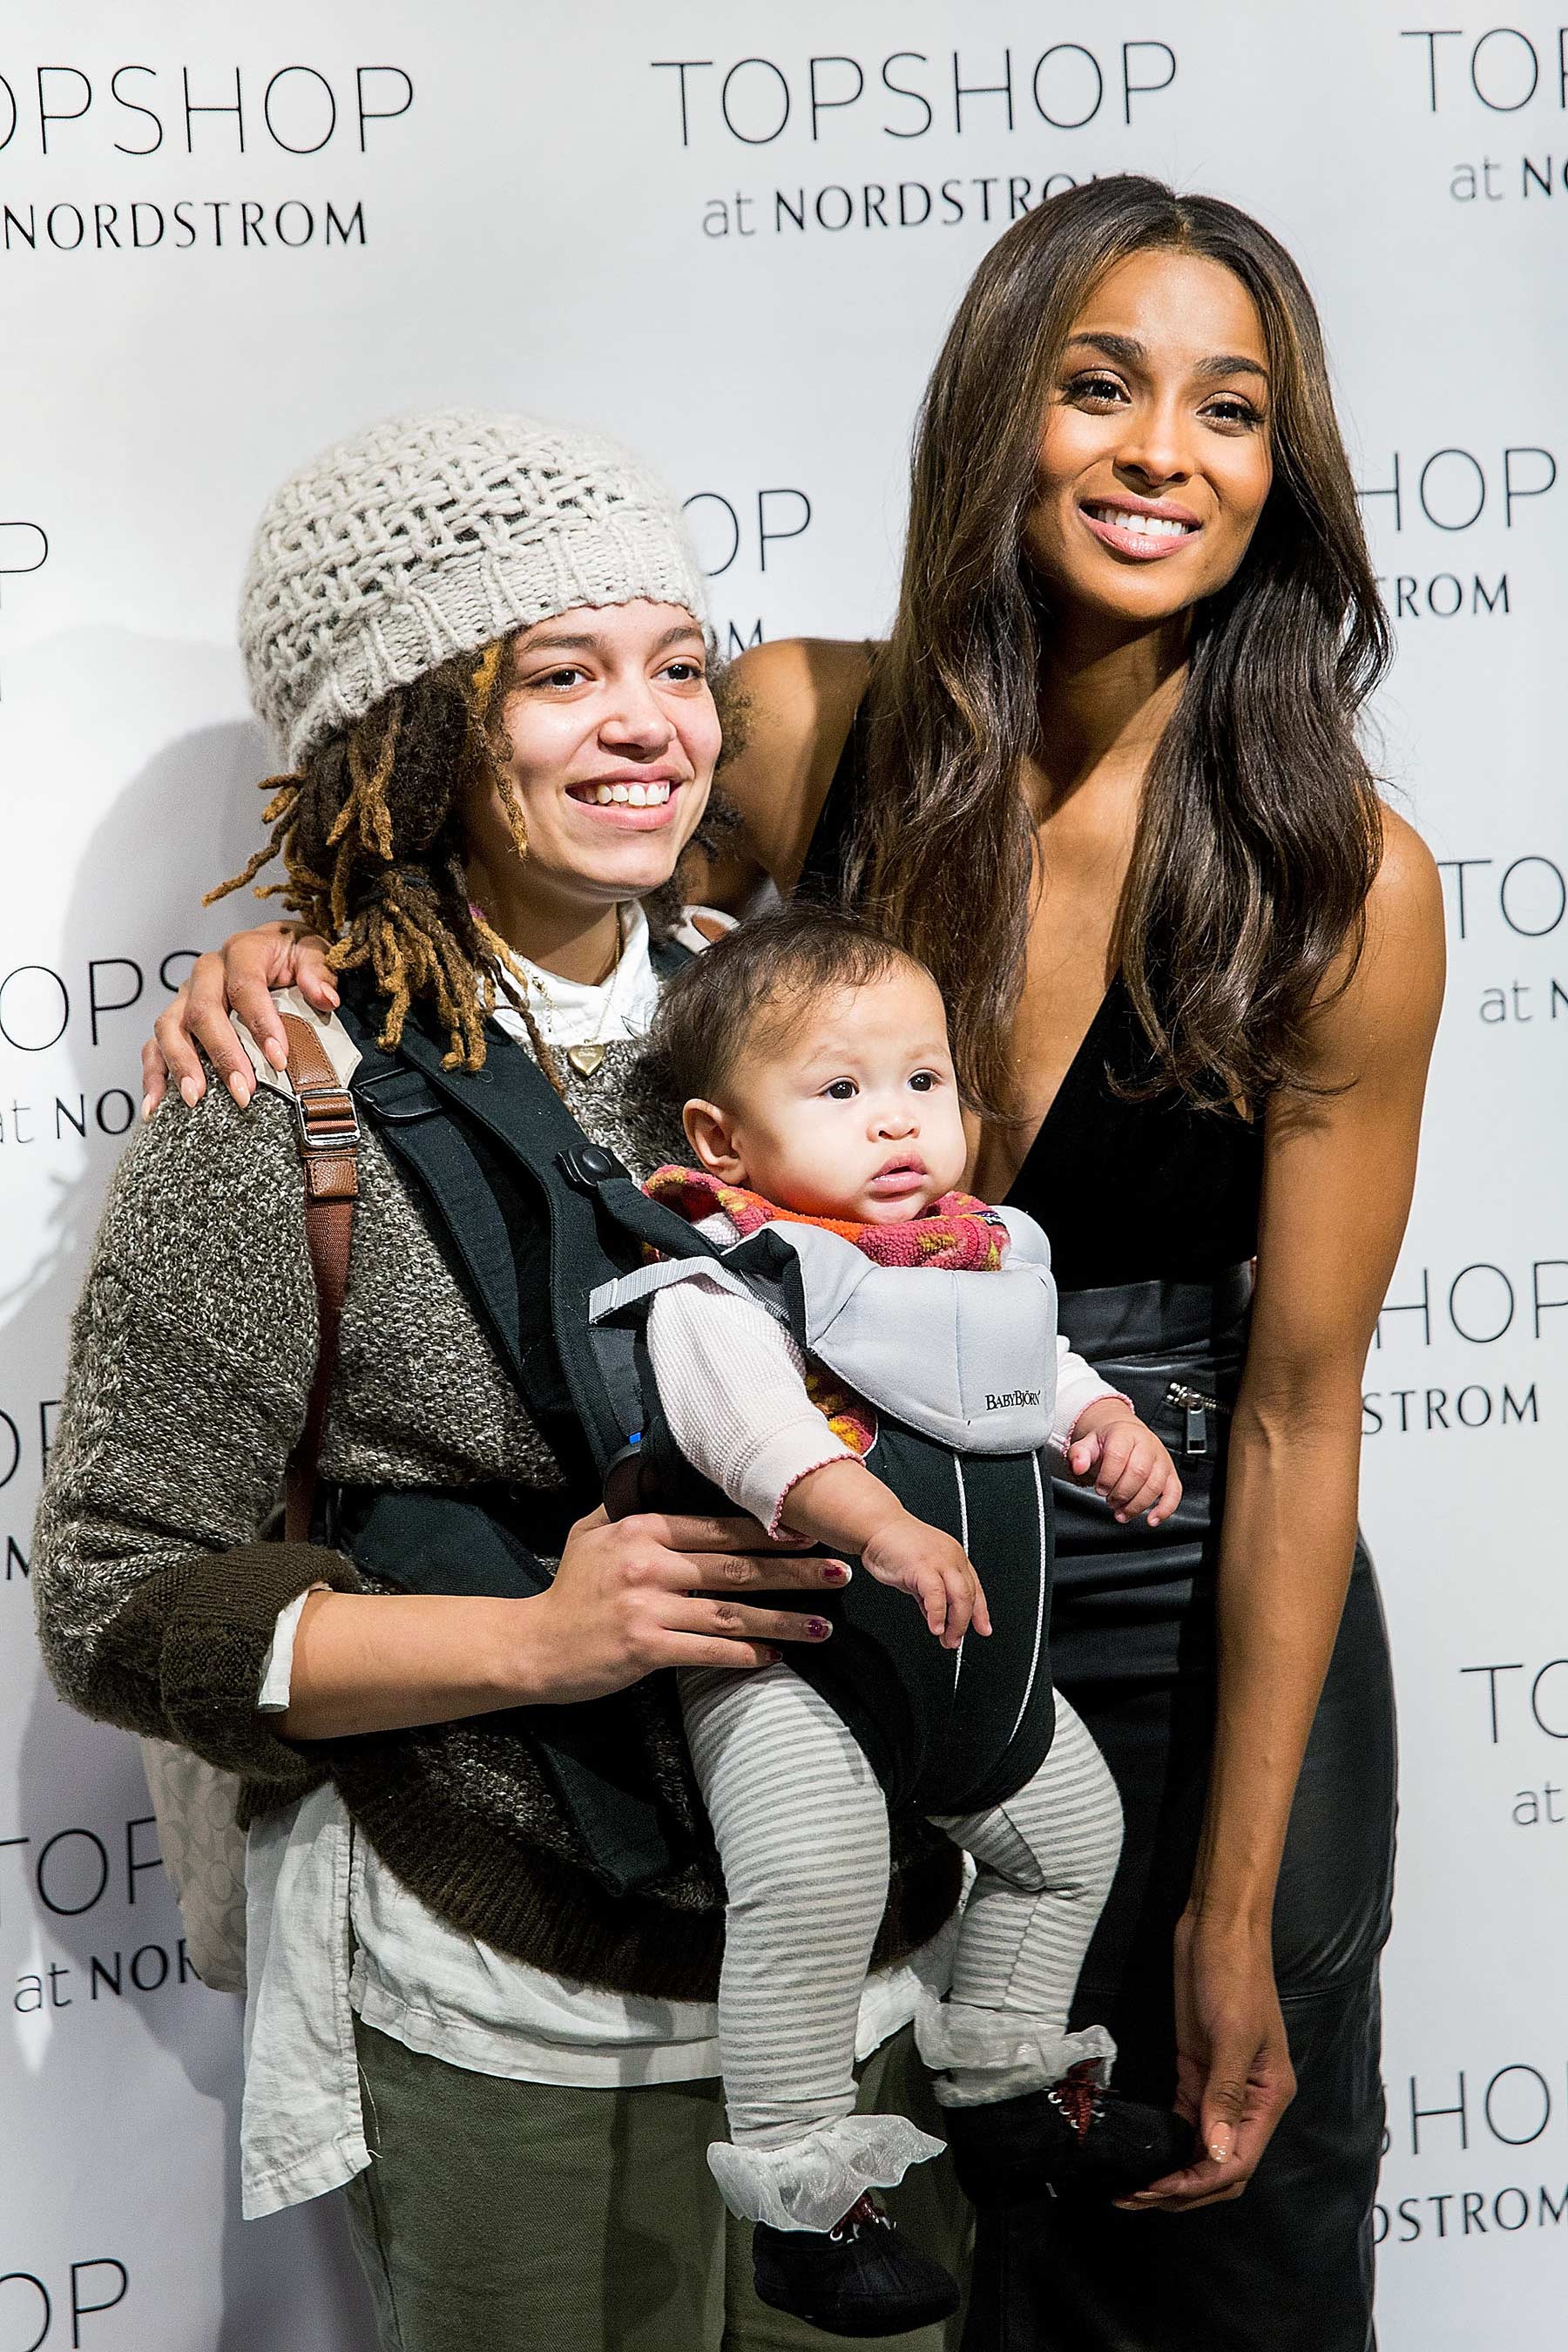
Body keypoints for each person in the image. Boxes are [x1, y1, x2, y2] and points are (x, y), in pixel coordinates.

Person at [152, 179, 1447, 2351]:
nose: (1162, 453)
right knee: (929, 2224)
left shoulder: (1345, 878)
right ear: (997, 409)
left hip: (1158, 1535)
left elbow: (1308, 1408)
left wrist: (1232, 1898)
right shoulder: (805, 726)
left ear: (1281, 477)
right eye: (1100, 384)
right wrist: (298, 937)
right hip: (817, 1505)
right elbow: (540, 899)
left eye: (1232, 411)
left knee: (1224, 2198)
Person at [35, 408, 973, 2352]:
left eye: (677, 664)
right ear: (411, 734)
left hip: (858, 1968)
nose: (649, 723)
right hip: (517, 1994)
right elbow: (121, 1602)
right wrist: (540, 1644)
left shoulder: (805, 1013)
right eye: (560, 674)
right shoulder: (282, 1090)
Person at [620, 903, 1184, 2335]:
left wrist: (1108, 1421)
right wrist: (878, 1523)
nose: (897, 1124)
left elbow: (1035, 1371)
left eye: (922, 1081)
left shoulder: (975, 1260)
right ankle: (814, 2211)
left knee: (1073, 1840)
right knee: (812, 1883)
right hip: (803, 1673)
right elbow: (756, 1440)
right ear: (724, 1138)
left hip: (977, 1681)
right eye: (840, 1089)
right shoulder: (722, 1281)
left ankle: (1004, 2088)